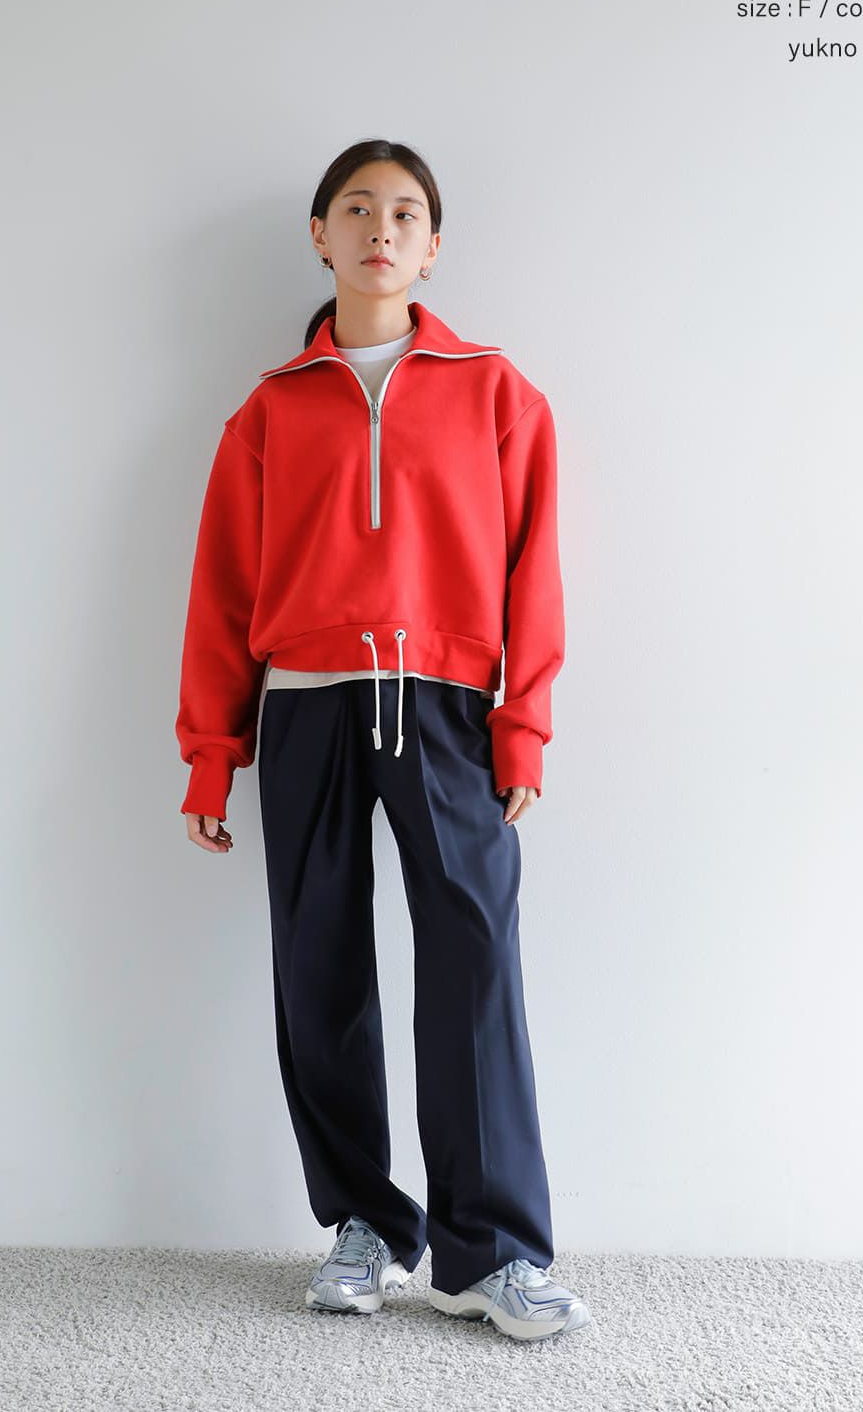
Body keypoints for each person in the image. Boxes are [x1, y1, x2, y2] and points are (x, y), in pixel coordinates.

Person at [175, 138, 591, 1341]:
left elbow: (534, 571)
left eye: (406, 213)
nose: (381, 229)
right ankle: (363, 1222)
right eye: (357, 209)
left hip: (444, 707)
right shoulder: (270, 408)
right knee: (318, 966)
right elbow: (221, 589)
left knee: (473, 960)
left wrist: (523, 728)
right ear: (320, 235)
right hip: (305, 704)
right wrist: (213, 751)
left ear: (433, 246)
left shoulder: (496, 392)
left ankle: (490, 1252)